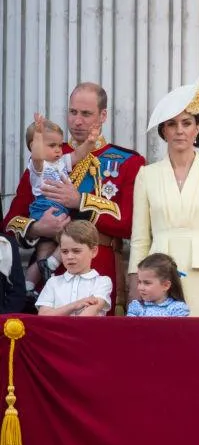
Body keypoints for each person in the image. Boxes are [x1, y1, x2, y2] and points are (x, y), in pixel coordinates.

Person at [3, 82, 143, 315]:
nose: (77, 121)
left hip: (99, 269)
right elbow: (9, 223)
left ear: (103, 115)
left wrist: (80, 201)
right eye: (73, 112)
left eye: (86, 114)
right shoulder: (47, 158)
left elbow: (130, 224)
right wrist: (37, 228)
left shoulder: (128, 162)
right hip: (49, 280)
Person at [129, 74, 199, 317]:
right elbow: (139, 239)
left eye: (186, 123)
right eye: (172, 124)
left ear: (197, 129)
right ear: (163, 131)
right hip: (156, 278)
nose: (179, 131)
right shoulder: (146, 175)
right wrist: (135, 290)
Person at [23, 114, 99, 293]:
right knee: (72, 233)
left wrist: (90, 140)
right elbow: (37, 154)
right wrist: (39, 135)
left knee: (43, 252)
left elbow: (79, 154)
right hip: (45, 207)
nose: (58, 149)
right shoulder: (38, 166)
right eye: (52, 146)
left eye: (59, 145)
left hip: (59, 208)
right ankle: (53, 262)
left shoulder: (61, 161)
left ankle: (29, 285)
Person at [35, 221, 111, 316]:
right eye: (64, 251)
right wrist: (74, 306)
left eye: (76, 251)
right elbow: (43, 315)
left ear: (94, 251)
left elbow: (88, 315)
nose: (69, 256)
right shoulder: (53, 282)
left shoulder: (102, 282)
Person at [126, 253, 190, 317]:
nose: (140, 288)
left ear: (166, 285)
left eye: (147, 283)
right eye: (139, 282)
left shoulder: (177, 309)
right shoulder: (136, 306)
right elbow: (130, 326)